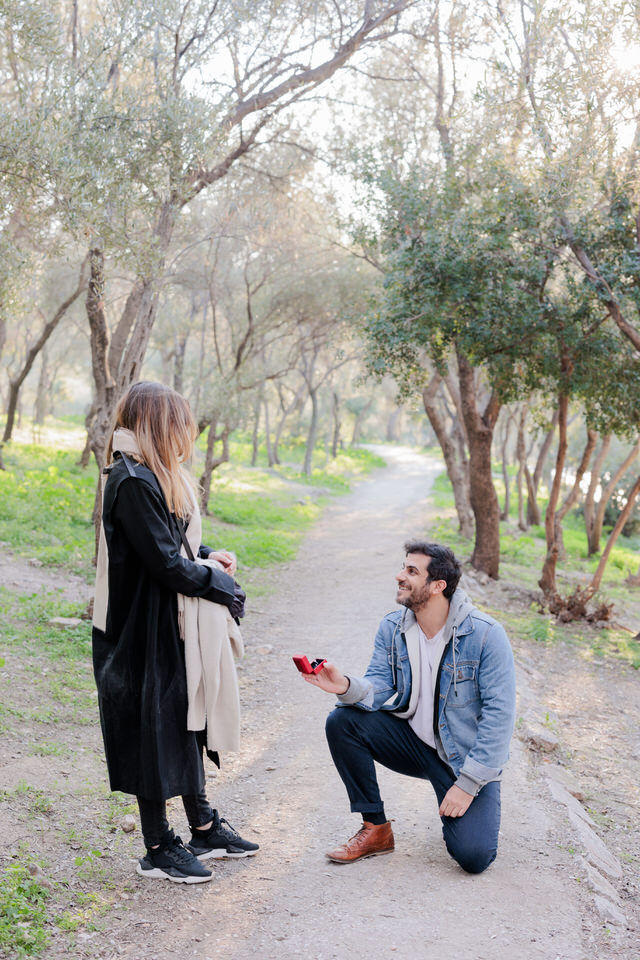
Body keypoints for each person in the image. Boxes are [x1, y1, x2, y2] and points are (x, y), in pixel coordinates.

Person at [92, 381, 258, 884]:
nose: (186, 436)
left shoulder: (151, 475)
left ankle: (203, 825)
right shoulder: (133, 480)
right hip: (140, 631)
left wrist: (208, 559)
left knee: (187, 720)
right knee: (154, 733)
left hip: (167, 620)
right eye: (179, 426)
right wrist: (222, 584)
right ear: (158, 425)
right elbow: (164, 564)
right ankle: (158, 846)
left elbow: (172, 547)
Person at [302, 540, 516, 874]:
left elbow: (499, 719)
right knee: (342, 721)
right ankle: (376, 829)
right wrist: (343, 685)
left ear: (437, 586)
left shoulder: (486, 635)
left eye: (411, 571)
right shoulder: (394, 626)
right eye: (403, 567)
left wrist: (467, 785)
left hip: (460, 759)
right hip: (413, 744)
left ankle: (465, 803)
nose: (400, 576)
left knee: (473, 857)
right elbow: (379, 684)